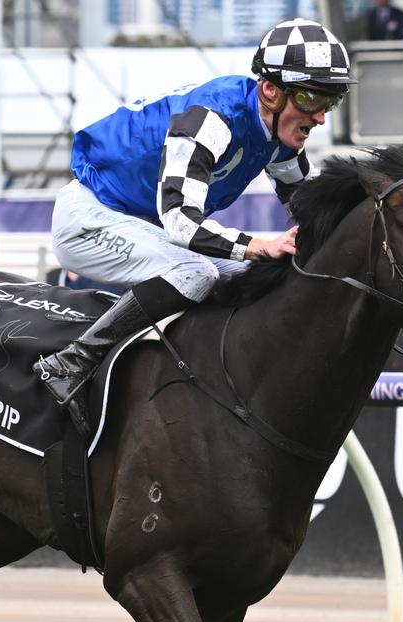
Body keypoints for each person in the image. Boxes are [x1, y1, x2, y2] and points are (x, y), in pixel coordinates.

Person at [33, 17, 353, 418]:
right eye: (310, 99)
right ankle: (71, 362)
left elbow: (313, 211)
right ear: (270, 90)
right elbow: (181, 222)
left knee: (270, 277)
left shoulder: (280, 134)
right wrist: (256, 245)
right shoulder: (211, 119)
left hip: (142, 226)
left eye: (330, 101)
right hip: (90, 217)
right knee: (197, 273)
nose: (320, 117)